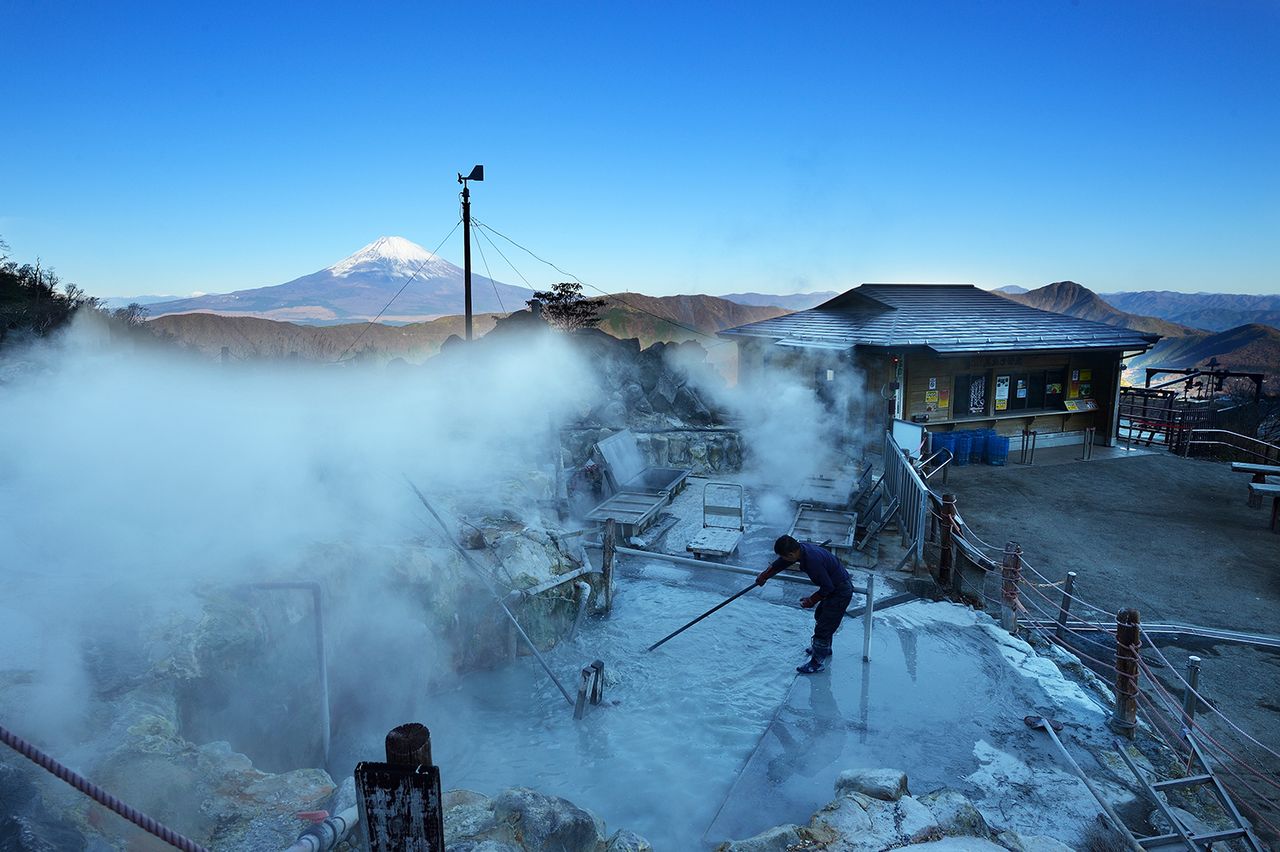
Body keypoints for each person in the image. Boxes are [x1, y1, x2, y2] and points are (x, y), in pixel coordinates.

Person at [756, 535, 854, 674]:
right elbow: (781, 563)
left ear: (791, 554)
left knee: (824, 627)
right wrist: (764, 575)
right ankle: (825, 649)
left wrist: (811, 600)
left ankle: (816, 663)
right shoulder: (800, 550)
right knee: (821, 616)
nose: (784, 559)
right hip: (835, 588)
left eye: (784, 556)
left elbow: (827, 587)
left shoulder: (812, 560)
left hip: (840, 591)